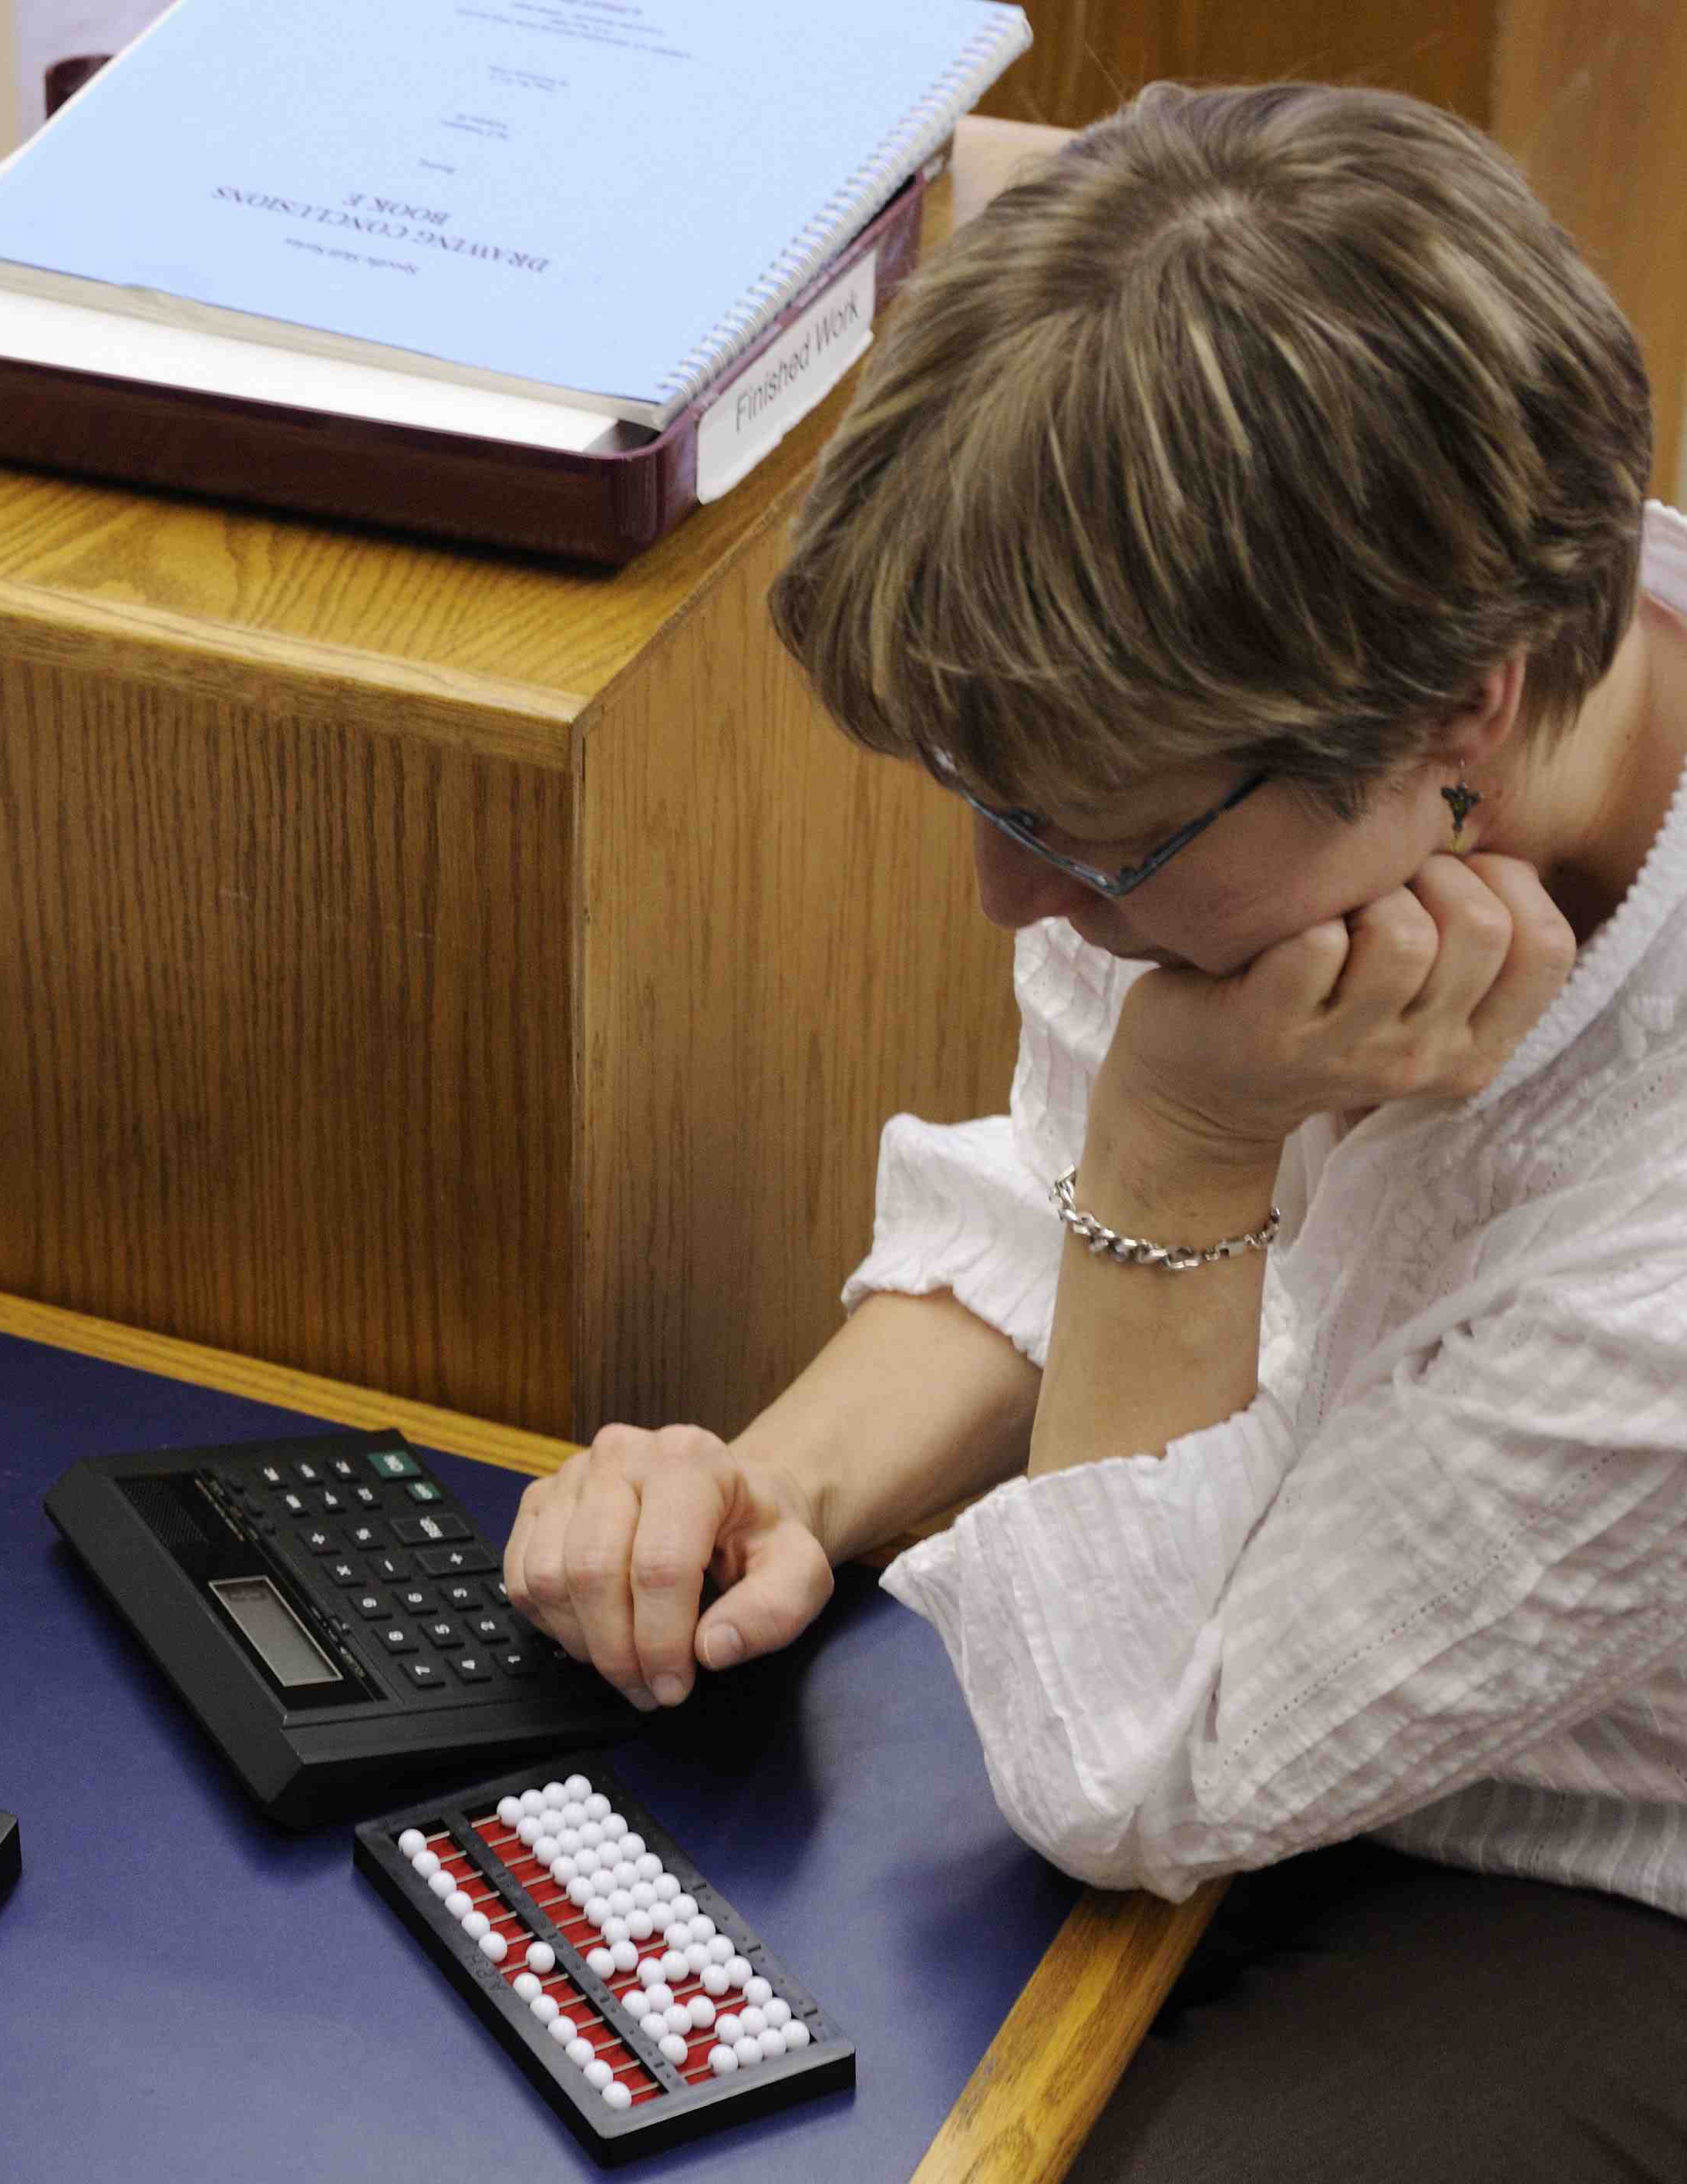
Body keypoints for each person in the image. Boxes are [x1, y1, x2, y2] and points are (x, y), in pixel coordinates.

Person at [503, 83, 1687, 2178]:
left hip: (1585, 1845)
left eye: (1086, 834)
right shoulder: (1269, 749)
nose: (1007, 895)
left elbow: (1131, 1773)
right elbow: (1046, 1201)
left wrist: (1185, 1155)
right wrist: (770, 1482)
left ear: (1461, 716)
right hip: (1229, 1591)